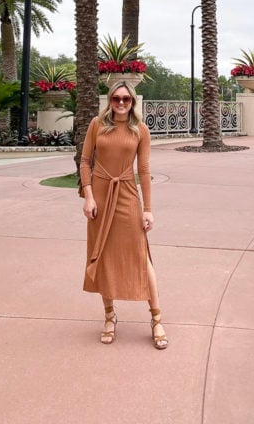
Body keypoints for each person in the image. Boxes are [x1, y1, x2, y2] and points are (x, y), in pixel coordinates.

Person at [80, 80, 168, 349]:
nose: (120, 103)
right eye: (116, 98)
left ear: (133, 103)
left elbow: (144, 170)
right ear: (110, 100)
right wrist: (89, 196)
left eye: (126, 99)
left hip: (128, 194)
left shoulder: (140, 130)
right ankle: (109, 317)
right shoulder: (97, 124)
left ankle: (156, 319)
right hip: (101, 195)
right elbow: (85, 161)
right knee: (103, 255)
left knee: (141, 257)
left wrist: (149, 209)